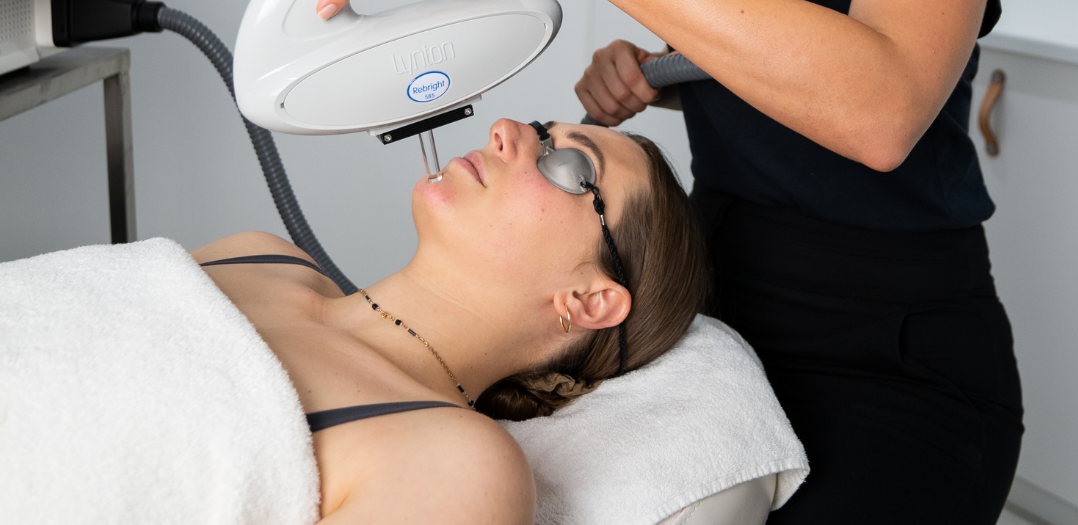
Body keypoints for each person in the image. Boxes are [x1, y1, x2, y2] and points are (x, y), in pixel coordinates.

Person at [314, 0, 1023, 522]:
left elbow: (882, 109)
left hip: (885, 339)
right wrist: (661, 72)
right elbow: (768, 53)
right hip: (718, 295)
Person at [191, 119, 708, 524]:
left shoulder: (458, 469)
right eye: (541, 129)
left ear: (589, 300)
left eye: (571, 166)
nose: (505, 129)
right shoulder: (258, 255)